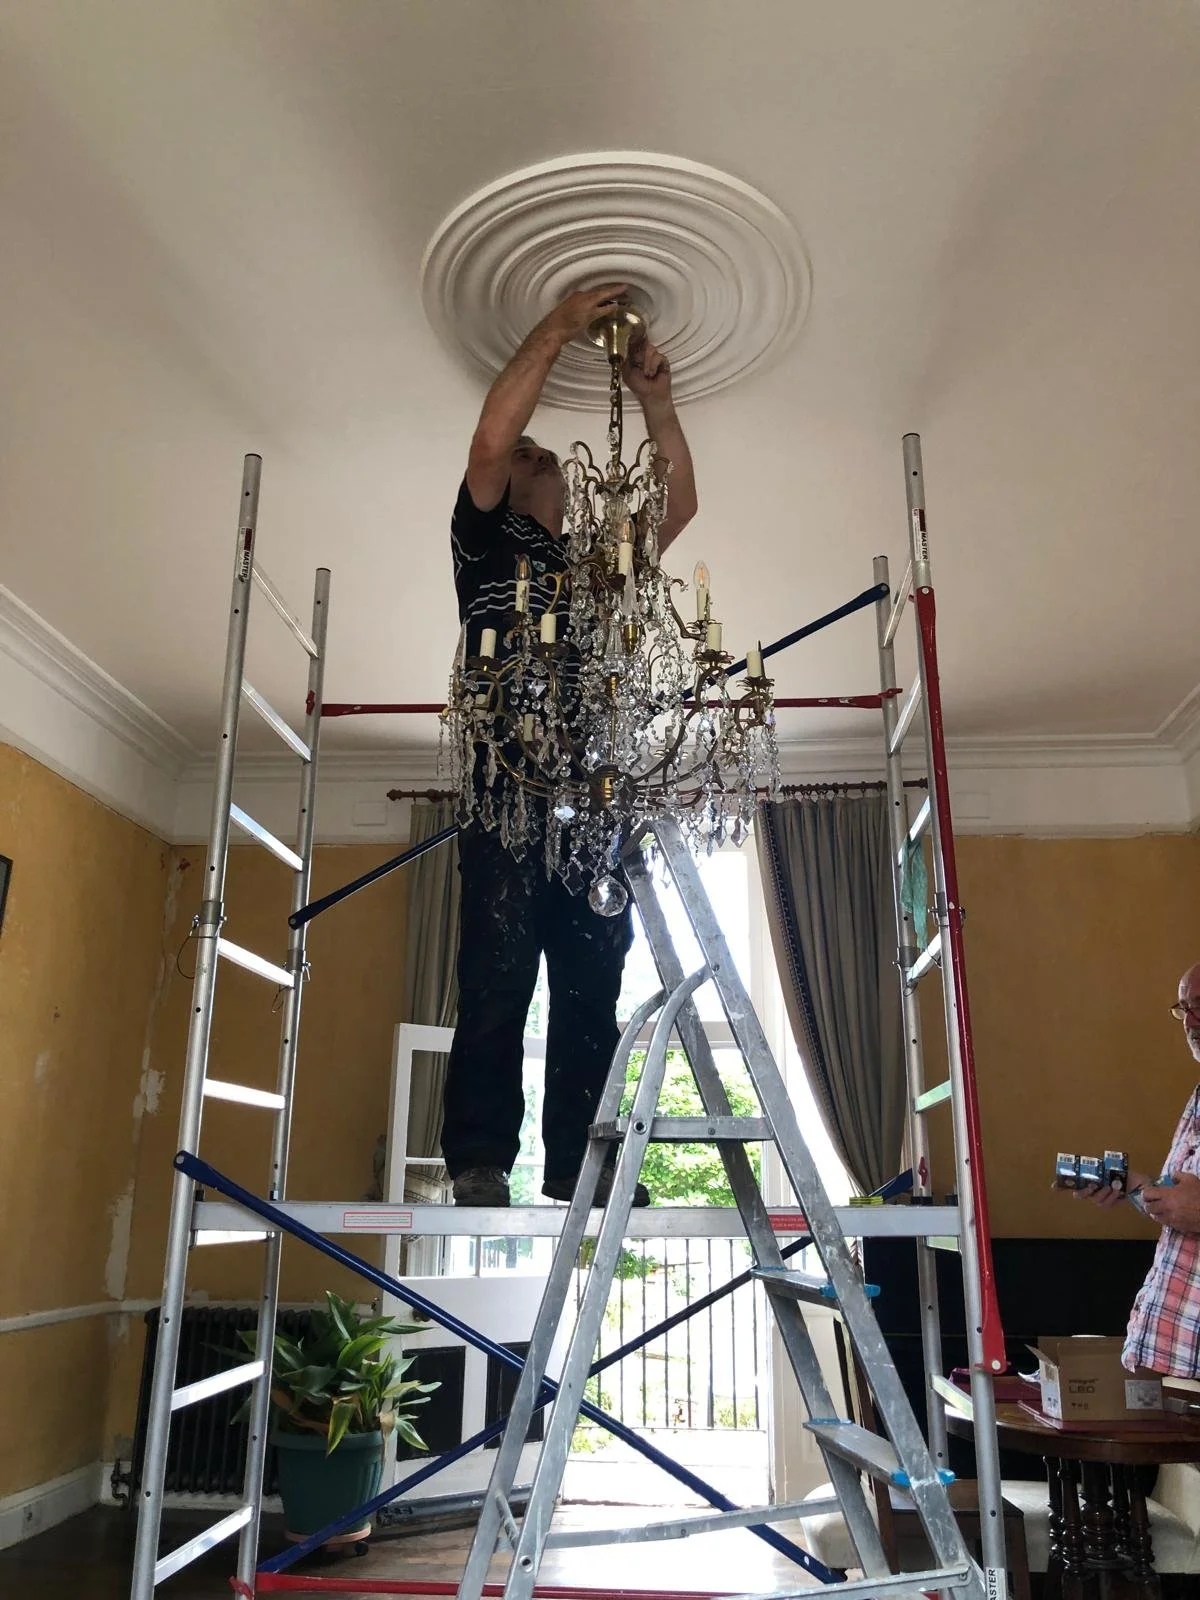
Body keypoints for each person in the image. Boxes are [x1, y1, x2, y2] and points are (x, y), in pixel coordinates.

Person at [443, 283, 699, 1208]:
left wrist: (660, 405)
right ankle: (479, 1159)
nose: (542, 452)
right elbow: (485, 439)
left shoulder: (600, 568)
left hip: (596, 804)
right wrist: (555, 331)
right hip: (507, 794)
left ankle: (579, 1166)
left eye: (545, 449)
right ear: (508, 483)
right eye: (529, 452)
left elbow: (678, 507)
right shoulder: (485, 548)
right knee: (497, 980)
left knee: (593, 991)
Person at [1078, 961, 1200, 1375]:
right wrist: (1136, 1187)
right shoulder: (1198, 1097)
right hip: (1165, 1361)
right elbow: (1180, 1200)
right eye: (1183, 1009)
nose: (1190, 1022)